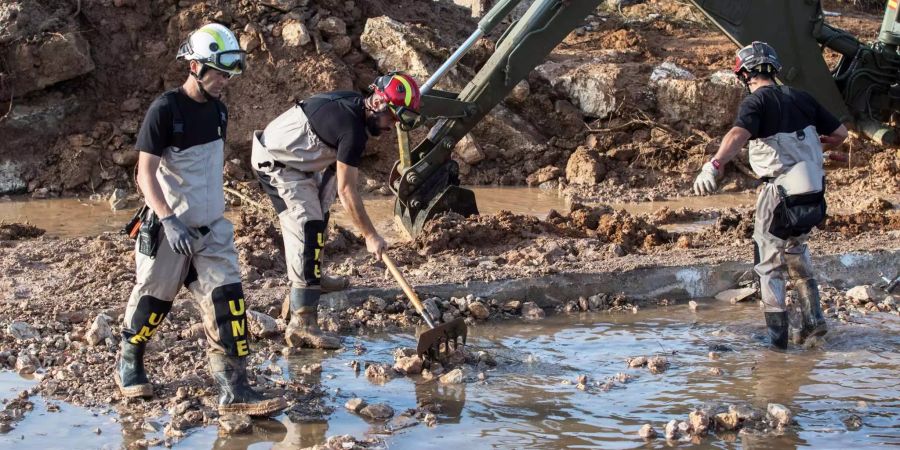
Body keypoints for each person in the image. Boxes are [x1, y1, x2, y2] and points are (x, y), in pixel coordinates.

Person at [116, 23, 286, 416]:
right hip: (169, 229)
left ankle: (235, 391)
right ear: (195, 66)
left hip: (212, 230)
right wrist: (169, 220)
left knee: (229, 306)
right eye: (219, 72)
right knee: (152, 303)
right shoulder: (165, 110)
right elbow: (145, 173)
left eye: (229, 73)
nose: (225, 81)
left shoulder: (220, 111)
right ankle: (130, 362)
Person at [693, 41, 848, 350]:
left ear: (745, 74)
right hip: (813, 194)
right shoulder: (802, 97)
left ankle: (777, 340)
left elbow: (738, 134)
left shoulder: (755, 102)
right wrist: (815, 150)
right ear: (775, 69)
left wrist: (714, 164)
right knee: (796, 250)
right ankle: (814, 321)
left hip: (778, 194)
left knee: (768, 265)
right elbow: (842, 134)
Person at [251, 72, 422, 349]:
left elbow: (338, 181)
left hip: (305, 159)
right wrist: (370, 235)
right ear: (378, 102)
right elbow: (348, 190)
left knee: (322, 214)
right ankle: (302, 322)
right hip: (277, 161)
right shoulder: (352, 128)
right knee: (307, 227)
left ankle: (311, 280)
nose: (393, 126)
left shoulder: (357, 112)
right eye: (392, 117)